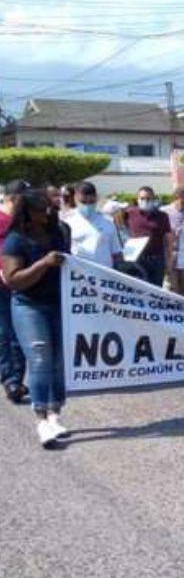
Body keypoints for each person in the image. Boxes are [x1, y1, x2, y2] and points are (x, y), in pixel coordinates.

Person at [1, 191, 70, 447]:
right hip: (29, 306)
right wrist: (43, 264)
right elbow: (13, 280)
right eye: (42, 209)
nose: (47, 213)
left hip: (58, 304)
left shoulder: (57, 235)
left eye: (49, 208)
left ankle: (55, 413)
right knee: (40, 357)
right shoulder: (15, 241)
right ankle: (41, 418)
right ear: (27, 212)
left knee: (58, 361)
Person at [0, 180, 30, 403]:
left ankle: (17, 379)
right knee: (4, 334)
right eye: (23, 197)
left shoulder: (24, 222)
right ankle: (11, 379)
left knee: (20, 335)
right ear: (12, 198)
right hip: (2, 287)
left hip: (23, 284)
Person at [65, 182, 123, 269]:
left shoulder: (108, 222)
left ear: (96, 199)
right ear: (75, 198)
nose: (87, 206)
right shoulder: (67, 222)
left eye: (91, 202)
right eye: (83, 202)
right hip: (78, 276)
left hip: (103, 276)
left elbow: (117, 252)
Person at [125, 186, 172, 287]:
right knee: (138, 289)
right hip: (137, 260)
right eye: (142, 198)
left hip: (157, 260)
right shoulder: (129, 213)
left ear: (154, 199)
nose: (145, 201)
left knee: (155, 290)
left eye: (148, 199)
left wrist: (169, 262)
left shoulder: (163, 216)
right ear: (137, 199)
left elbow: (168, 240)